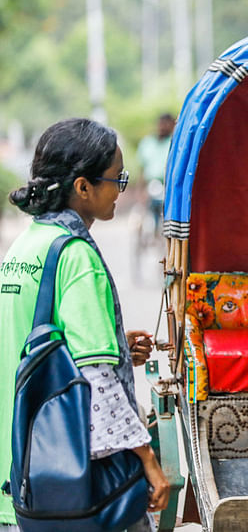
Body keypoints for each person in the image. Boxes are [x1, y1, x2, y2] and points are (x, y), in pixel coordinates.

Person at [0, 118, 170, 532]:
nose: (121, 190)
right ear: (82, 187)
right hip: (74, 488)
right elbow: (98, 382)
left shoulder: (25, 246)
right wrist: (148, 459)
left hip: (23, 476)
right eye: (117, 178)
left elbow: (39, 349)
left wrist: (115, 347)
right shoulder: (76, 256)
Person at [136, 112, 175, 231]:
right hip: (150, 186)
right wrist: (141, 191)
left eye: (166, 124)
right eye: (161, 124)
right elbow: (142, 169)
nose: (163, 127)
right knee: (140, 219)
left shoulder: (173, 143)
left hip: (167, 187)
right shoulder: (147, 143)